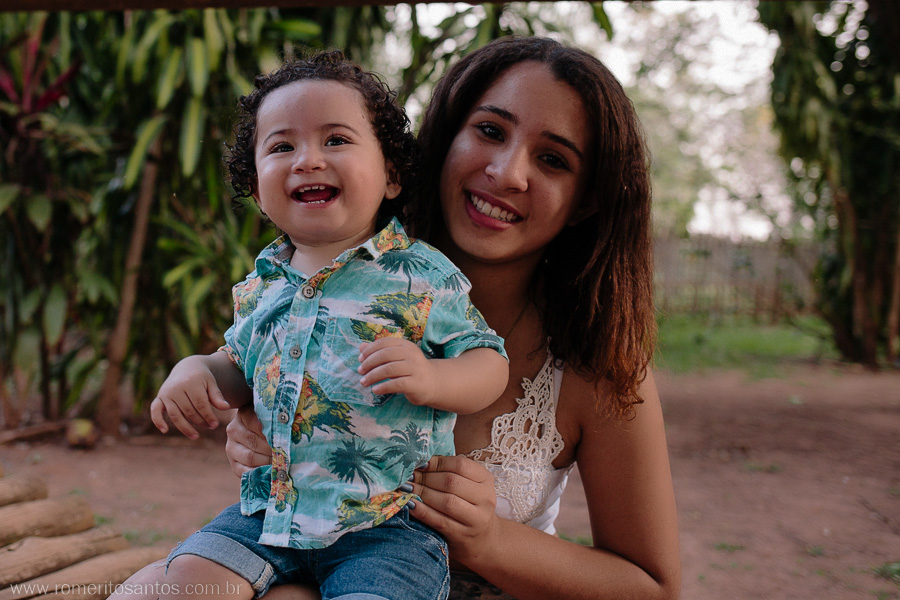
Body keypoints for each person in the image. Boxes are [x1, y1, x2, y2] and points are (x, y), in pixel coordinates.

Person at [119, 35, 681, 600]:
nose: (508, 173)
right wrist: (251, 408)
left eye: (554, 160)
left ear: (586, 199)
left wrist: (487, 540)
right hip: (292, 550)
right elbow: (244, 363)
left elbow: (653, 587)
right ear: (440, 142)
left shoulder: (596, 362)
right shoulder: (317, 276)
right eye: (489, 131)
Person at [143, 50, 508, 600]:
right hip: (269, 514)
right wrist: (198, 371)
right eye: (282, 146)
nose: (307, 159)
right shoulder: (261, 284)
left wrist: (434, 380)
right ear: (259, 190)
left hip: (388, 526)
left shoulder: (420, 274)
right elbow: (239, 368)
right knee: (178, 583)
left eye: (336, 140)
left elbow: (490, 362)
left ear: (390, 175)